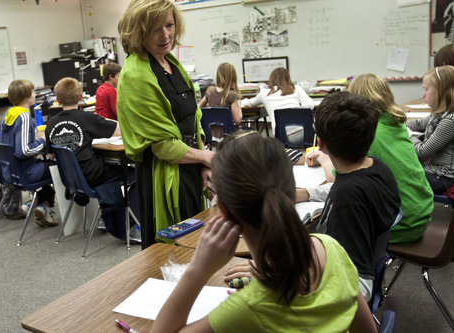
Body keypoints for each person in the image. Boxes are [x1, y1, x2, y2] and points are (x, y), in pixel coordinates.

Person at [150, 130, 377, 333]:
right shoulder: (331, 248)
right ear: (291, 191)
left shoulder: (249, 308)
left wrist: (198, 269)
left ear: (222, 208)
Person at [117, 0, 214, 249]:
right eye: (154, 29)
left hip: (190, 165)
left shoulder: (170, 62)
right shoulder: (135, 74)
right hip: (164, 172)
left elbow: (194, 117)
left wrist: (202, 161)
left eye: (169, 25)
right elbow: (162, 145)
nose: (165, 35)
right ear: (137, 31)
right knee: (175, 249)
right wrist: (204, 157)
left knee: (195, 239)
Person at [312, 91, 401, 302]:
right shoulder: (376, 168)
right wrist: (306, 193)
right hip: (332, 261)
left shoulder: (348, 200)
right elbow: (343, 189)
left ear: (321, 144)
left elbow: (361, 286)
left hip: (333, 293)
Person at [347, 74, 433, 244]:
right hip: (420, 215)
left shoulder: (369, 133)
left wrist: (325, 157)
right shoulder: (394, 124)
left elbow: (338, 176)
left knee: (336, 226)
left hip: (401, 225)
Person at [45, 77, 135, 241]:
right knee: (134, 174)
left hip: (72, 180)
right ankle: (132, 225)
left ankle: (105, 216)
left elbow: (51, 155)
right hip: (93, 176)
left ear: (57, 100)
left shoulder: (51, 123)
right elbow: (119, 130)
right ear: (81, 97)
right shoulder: (85, 118)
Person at [0, 79, 57, 226]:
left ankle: (35, 204)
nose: (35, 94)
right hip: (24, 173)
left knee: (48, 166)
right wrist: (43, 141)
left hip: (8, 172)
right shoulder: (23, 117)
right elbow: (23, 151)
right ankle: (42, 206)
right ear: (26, 96)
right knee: (59, 168)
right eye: (33, 92)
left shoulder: (8, 113)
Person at [407, 65, 454, 194]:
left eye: (426, 89)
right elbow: (418, 124)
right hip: (435, 170)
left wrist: (410, 135)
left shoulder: (450, 120)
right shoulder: (439, 113)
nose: (423, 94)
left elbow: (423, 152)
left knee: (400, 178)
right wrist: (396, 121)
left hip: (445, 177)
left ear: (441, 91)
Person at [240, 67, 315, 134]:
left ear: (271, 79)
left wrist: (242, 101)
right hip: (303, 132)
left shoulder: (265, 93)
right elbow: (310, 105)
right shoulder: (296, 88)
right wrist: (298, 112)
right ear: (288, 78)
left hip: (280, 134)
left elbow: (250, 103)